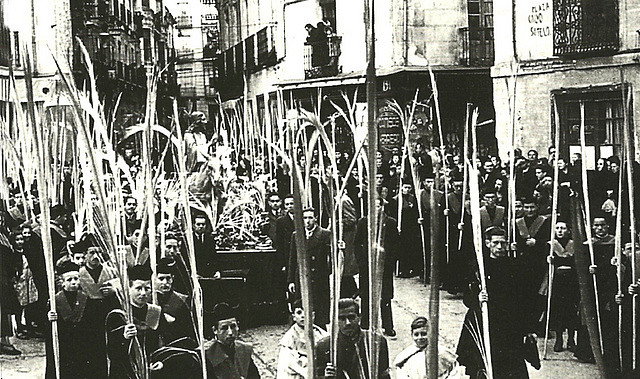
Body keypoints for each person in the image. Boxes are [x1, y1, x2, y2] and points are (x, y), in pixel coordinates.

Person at [456, 227, 537, 378]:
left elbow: (524, 298)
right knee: (483, 365)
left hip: (509, 324)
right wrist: (478, 299)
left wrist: (528, 328)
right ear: (488, 244)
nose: (500, 247)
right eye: (496, 243)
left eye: (503, 243)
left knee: (511, 366)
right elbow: (467, 297)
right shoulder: (479, 267)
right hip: (485, 321)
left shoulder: (515, 266)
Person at [106, 264, 165, 378]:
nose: (143, 293)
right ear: (129, 289)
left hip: (150, 369)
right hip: (124, 371)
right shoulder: (118, 315)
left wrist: (160, 361)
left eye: (147, 288)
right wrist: (124, 337)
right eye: (138, 288)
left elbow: (162, 343)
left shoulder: (155, 312)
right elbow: (111, 352)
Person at [46, 261, 103, 378]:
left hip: (81, 342)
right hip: (64, 342)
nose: (73, 282)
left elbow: (91, 323)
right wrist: (49, 318)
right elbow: (48, 329)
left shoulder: (86, 299)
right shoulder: (54, 301)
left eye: (76, 279)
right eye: (69, 279)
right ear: (62, 282)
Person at [354, 196, 398, 337]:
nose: (375, 209)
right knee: (366, 296)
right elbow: (357, 243)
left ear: (382, 207)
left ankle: (388, 326)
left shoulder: (390, 223)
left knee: (385, 297)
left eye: (378, 206)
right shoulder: (363, 222)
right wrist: (361, 262)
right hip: (367, 266)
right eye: (372, 206)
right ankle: (366, 324)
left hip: (384, 266)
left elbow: (396, 245)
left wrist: (390, 262)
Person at [315, 298, 390, 378]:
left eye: (351, 317)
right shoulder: (324, 346)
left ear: (359, 317)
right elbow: (318, 376)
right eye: (342, 318)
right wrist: (326, 377)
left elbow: (384, 375)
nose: (347, 323)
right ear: (335, 320)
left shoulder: (376, 342)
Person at [287, 208, 331, 327]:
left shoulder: (324, 234)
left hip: (319, 279)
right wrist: (291, 280)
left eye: (310, 218)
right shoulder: (297, 235)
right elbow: (292, 260)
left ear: (315, 218)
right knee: (302, 308)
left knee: (319, 311)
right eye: (305, 218)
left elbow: (331, 257)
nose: (307, 221)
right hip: (301, 278)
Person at [544, 221, 578, 353]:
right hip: (557, 281)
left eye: (563, 228)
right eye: (557, 228)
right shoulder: (550, 245)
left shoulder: (574, 244)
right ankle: (559, 339)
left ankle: (571, 339)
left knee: (571, 311)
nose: (560, 230)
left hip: (571, 282)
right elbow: (543, 265)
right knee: (558, 311)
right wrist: (548, 261)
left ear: (568, 230)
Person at [394, 316, 464, 379]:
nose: (420, 337)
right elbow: (402, 374)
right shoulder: (406, 356)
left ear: (430, 333)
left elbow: (454, 372)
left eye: (424, 334)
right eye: (416, 334)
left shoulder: (442, 352)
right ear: (412, 335)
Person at [204, 302, 260, 378]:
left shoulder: (243, 349)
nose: (230, 332)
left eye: (233, 326)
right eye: (224, 328)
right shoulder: (207, 353)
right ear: (215, 330)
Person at [277, 299, 328, 378]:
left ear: (313, 315)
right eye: (299, 312)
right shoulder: (288, 341)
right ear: (294, 317)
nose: (303, 315)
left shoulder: (321, 333)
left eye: (306, 312)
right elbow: (291, 363)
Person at [155, 257, 195, 344]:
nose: (165, 282)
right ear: (154, 279)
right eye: (161, 279)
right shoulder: (149, 299)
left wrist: (174, 323)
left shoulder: (182, 300)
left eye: (168, 278)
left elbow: (188, 329)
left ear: (172, 278)